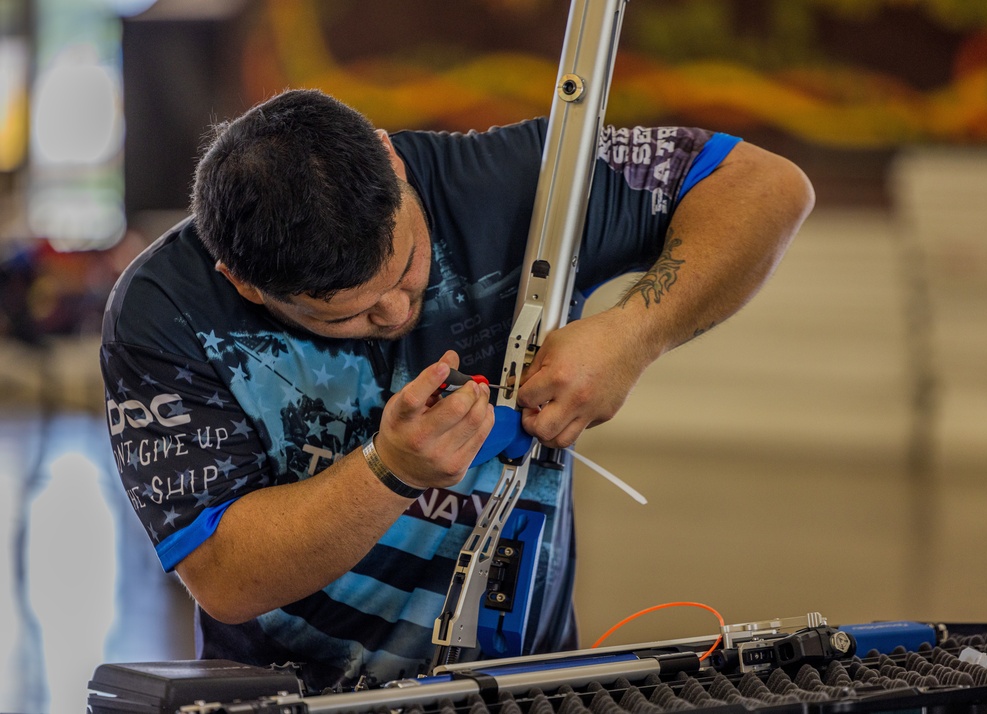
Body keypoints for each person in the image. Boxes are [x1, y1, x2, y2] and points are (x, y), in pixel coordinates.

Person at [100, 88, 814, 692]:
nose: (396, 313)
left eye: (408, 265)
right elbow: (227, 578)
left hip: (528, 683)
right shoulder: (166, 311)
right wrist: (391, 473)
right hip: (288, 694)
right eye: (345, 312)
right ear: (243, 283)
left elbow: (767, 186)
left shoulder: (514, 182)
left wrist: (632, 334)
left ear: (389, 158)